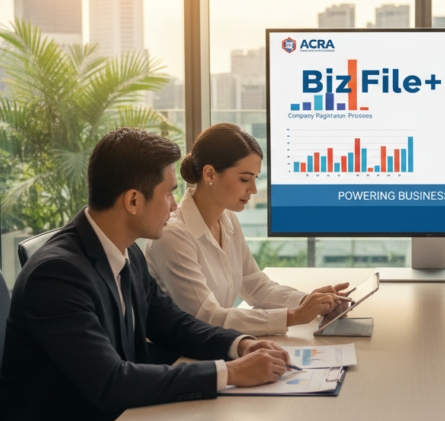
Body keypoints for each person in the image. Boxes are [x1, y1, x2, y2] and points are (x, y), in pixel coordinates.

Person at [0, 128, 293, 421]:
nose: (176, 206)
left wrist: (241, 345)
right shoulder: (58, 275)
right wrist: (232, 373)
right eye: (169, 193)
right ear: (133, 201)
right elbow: (112, 382)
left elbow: (173, 324)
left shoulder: (126, 251)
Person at [145, 123, 348, 336]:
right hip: (180, 359)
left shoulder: (227, 219)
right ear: (210, 174)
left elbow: (256, 286)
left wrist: (310, 302)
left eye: (255, 178)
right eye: (244, 179)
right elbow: (207, 317)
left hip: (216, 347)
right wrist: (295, 316)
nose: (252, 189)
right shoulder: (172, 235)